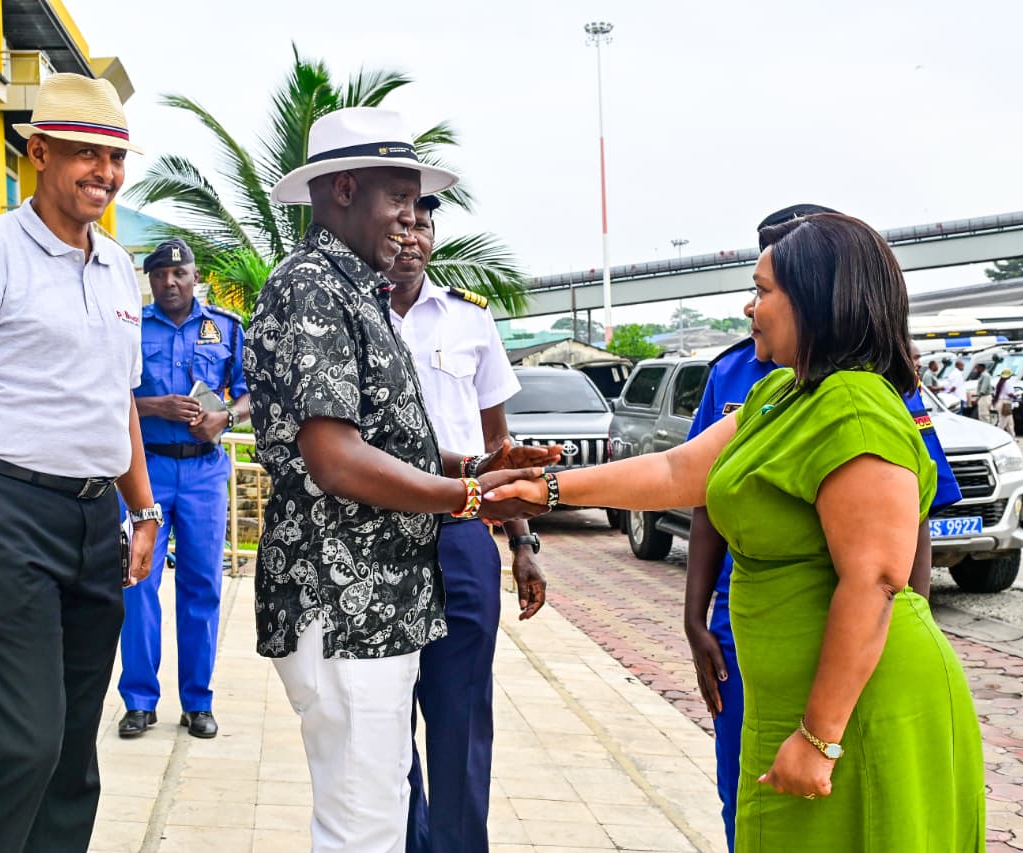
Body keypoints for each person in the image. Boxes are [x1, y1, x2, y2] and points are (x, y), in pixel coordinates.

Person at [489, 212, 985, 851]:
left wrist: (819, 737)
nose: (750, 307)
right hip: (790, 702)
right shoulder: (781, 394)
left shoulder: (856, 408)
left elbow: (878, 580)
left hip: (858, 712)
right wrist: (548, 488)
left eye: (765, 291)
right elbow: (677, 471)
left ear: (817, 302)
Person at [244, 107, 556, 853]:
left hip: (380, 601)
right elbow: (335, 458)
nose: (412, 220)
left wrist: (475, 467)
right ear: (345, 188)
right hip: (345, 598)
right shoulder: (313, 287)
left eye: (418, 205)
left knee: (378, 809)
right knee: (365, 827)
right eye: (400, 198)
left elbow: (384, 442)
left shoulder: (359, 289)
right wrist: (467, 495)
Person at [0, 73, 159, 853]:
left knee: (75, 753)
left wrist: (142, 509)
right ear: (37, 152)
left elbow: (120, 402)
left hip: (91, 519)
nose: (104, 175)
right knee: (22, 743)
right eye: (85, 154)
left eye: (115, 159)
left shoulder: (118, 268)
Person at [681, 204, 964, 851]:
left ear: (816, 288)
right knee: (750, 791)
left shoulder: (867, 394)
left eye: (766, 287)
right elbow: (689, 483)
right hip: (746, 628)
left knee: (847, 803)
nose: (753, 306)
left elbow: (890, 550)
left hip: (842, 634)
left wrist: (892, 621)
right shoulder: (747, 379)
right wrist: (695, 616)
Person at [385, 195, 546, 853]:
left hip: (461, 533)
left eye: (423, 224)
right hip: (379, 537)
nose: (412, 235)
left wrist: (523, 544)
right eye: (400, 223)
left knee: (460, 718)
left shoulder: (470, 319)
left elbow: (496, 444)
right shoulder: (349, 316)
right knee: (384, 718)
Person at [117, 238, 249, 741]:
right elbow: (112, 391)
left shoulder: (226, 329)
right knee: (137, 582)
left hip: (203, 472)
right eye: (159, 275)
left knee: (202, 586)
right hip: (144, 471)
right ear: (148, 281)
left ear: (195, 277)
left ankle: (197, 701)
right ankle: (139, 701)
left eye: (179, 274)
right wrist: (155, 408)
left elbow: (250, 391)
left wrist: (224, 419)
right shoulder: (131, 328)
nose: (169, 283)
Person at [994, 368, 1019, 436]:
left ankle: (1013, 437)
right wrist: (1016, 396)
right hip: (1005, 404)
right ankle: (997, 437)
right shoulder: (1007, 383)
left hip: (1000, 403)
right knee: (1003, 423)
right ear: (1009, 376)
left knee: (1010, 422)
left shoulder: (999, 383)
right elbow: (1010, 394)